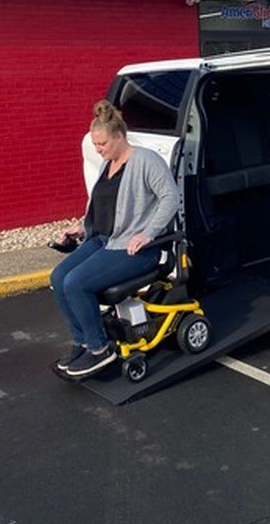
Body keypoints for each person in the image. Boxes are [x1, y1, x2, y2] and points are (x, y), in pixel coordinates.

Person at [50, 100, 180, 379]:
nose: (98, 150)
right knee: (59, 276)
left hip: (135, 248)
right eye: (96, 145)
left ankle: (100, 350)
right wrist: (83, 229)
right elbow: (102, 206)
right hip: (104, 240)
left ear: (119, 136)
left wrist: (149, 233)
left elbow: (171, 197)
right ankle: (83, 341)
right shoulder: (106, 166)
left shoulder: (146, 160)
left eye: (103, 144)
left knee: (76, 283)